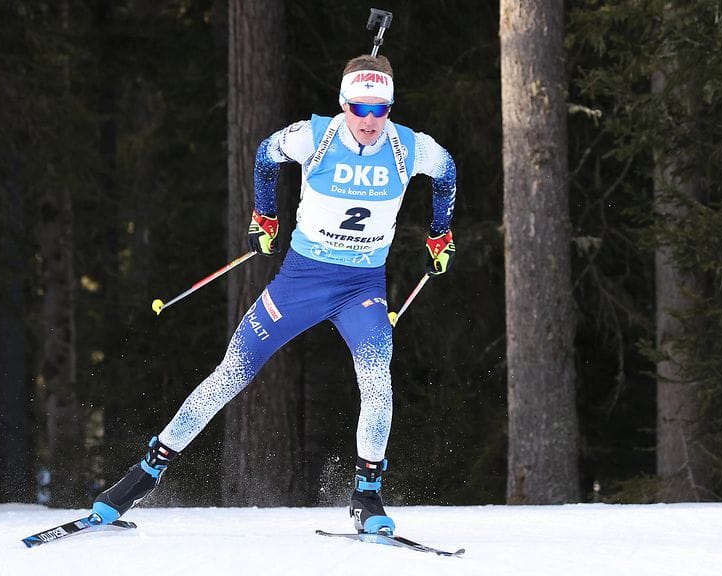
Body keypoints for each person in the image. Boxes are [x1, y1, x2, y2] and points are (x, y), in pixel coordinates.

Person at [90, 54, 457, 536]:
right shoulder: (315, 136)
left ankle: (367, 494)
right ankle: (144, 475)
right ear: (343, 103)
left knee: (377, 379)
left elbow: (447, 170)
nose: (369, 121)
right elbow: (266, 154)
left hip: (361, 287)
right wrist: (264, 217)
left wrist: (440, 234)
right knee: (232, 373)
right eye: (359, 108)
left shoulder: (411, 147)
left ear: (391, 106)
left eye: (380, 109)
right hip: (301, 280)